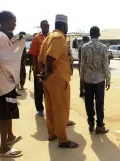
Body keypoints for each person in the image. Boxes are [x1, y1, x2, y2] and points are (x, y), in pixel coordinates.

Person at [38, 14, 79, 148]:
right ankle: (62, 139)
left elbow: (40, 59)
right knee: (61, 109)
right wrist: (48, 71)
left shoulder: (48, 37)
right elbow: (50, 56)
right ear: (64, 26)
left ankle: (52, 134)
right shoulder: (58, 37)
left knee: (50, 108)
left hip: (50, 81)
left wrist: (44, 72)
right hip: (58, 80)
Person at [0, 11, 23, 158]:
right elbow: (7, 60)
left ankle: (10, 136)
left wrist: (15, 41)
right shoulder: (1, 38)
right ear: (7, 21)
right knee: (6, 114)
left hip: (2, 81)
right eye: (14, 21)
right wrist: (14, 77)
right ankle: (3, 148)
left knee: (10, 110)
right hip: (5, 82)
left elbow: (3, 53)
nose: (15, 24)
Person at [80, 26, 111, 134]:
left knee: (88, 102)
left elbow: (82, 65)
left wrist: (81, 79)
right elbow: (105, 65)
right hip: (99, 80)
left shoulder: (84, 47)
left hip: (88, 79)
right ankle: (99, 126)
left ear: (90, 34)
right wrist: (108, 79)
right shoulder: (103, 47)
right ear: (98, 34)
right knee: (99, 102)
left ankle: (91, 123)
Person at [28, 20, 49, 117]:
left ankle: (49, 108)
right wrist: (35, 69)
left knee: (48, 90)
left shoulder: (50, 37)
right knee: (39, 90)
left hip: (49, 69)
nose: (47, 27)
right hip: (39, 69)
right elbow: (32, 55)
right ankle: (40, 108)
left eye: (48, 25)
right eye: (45, 25)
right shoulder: (37, 38)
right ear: (41, 27)